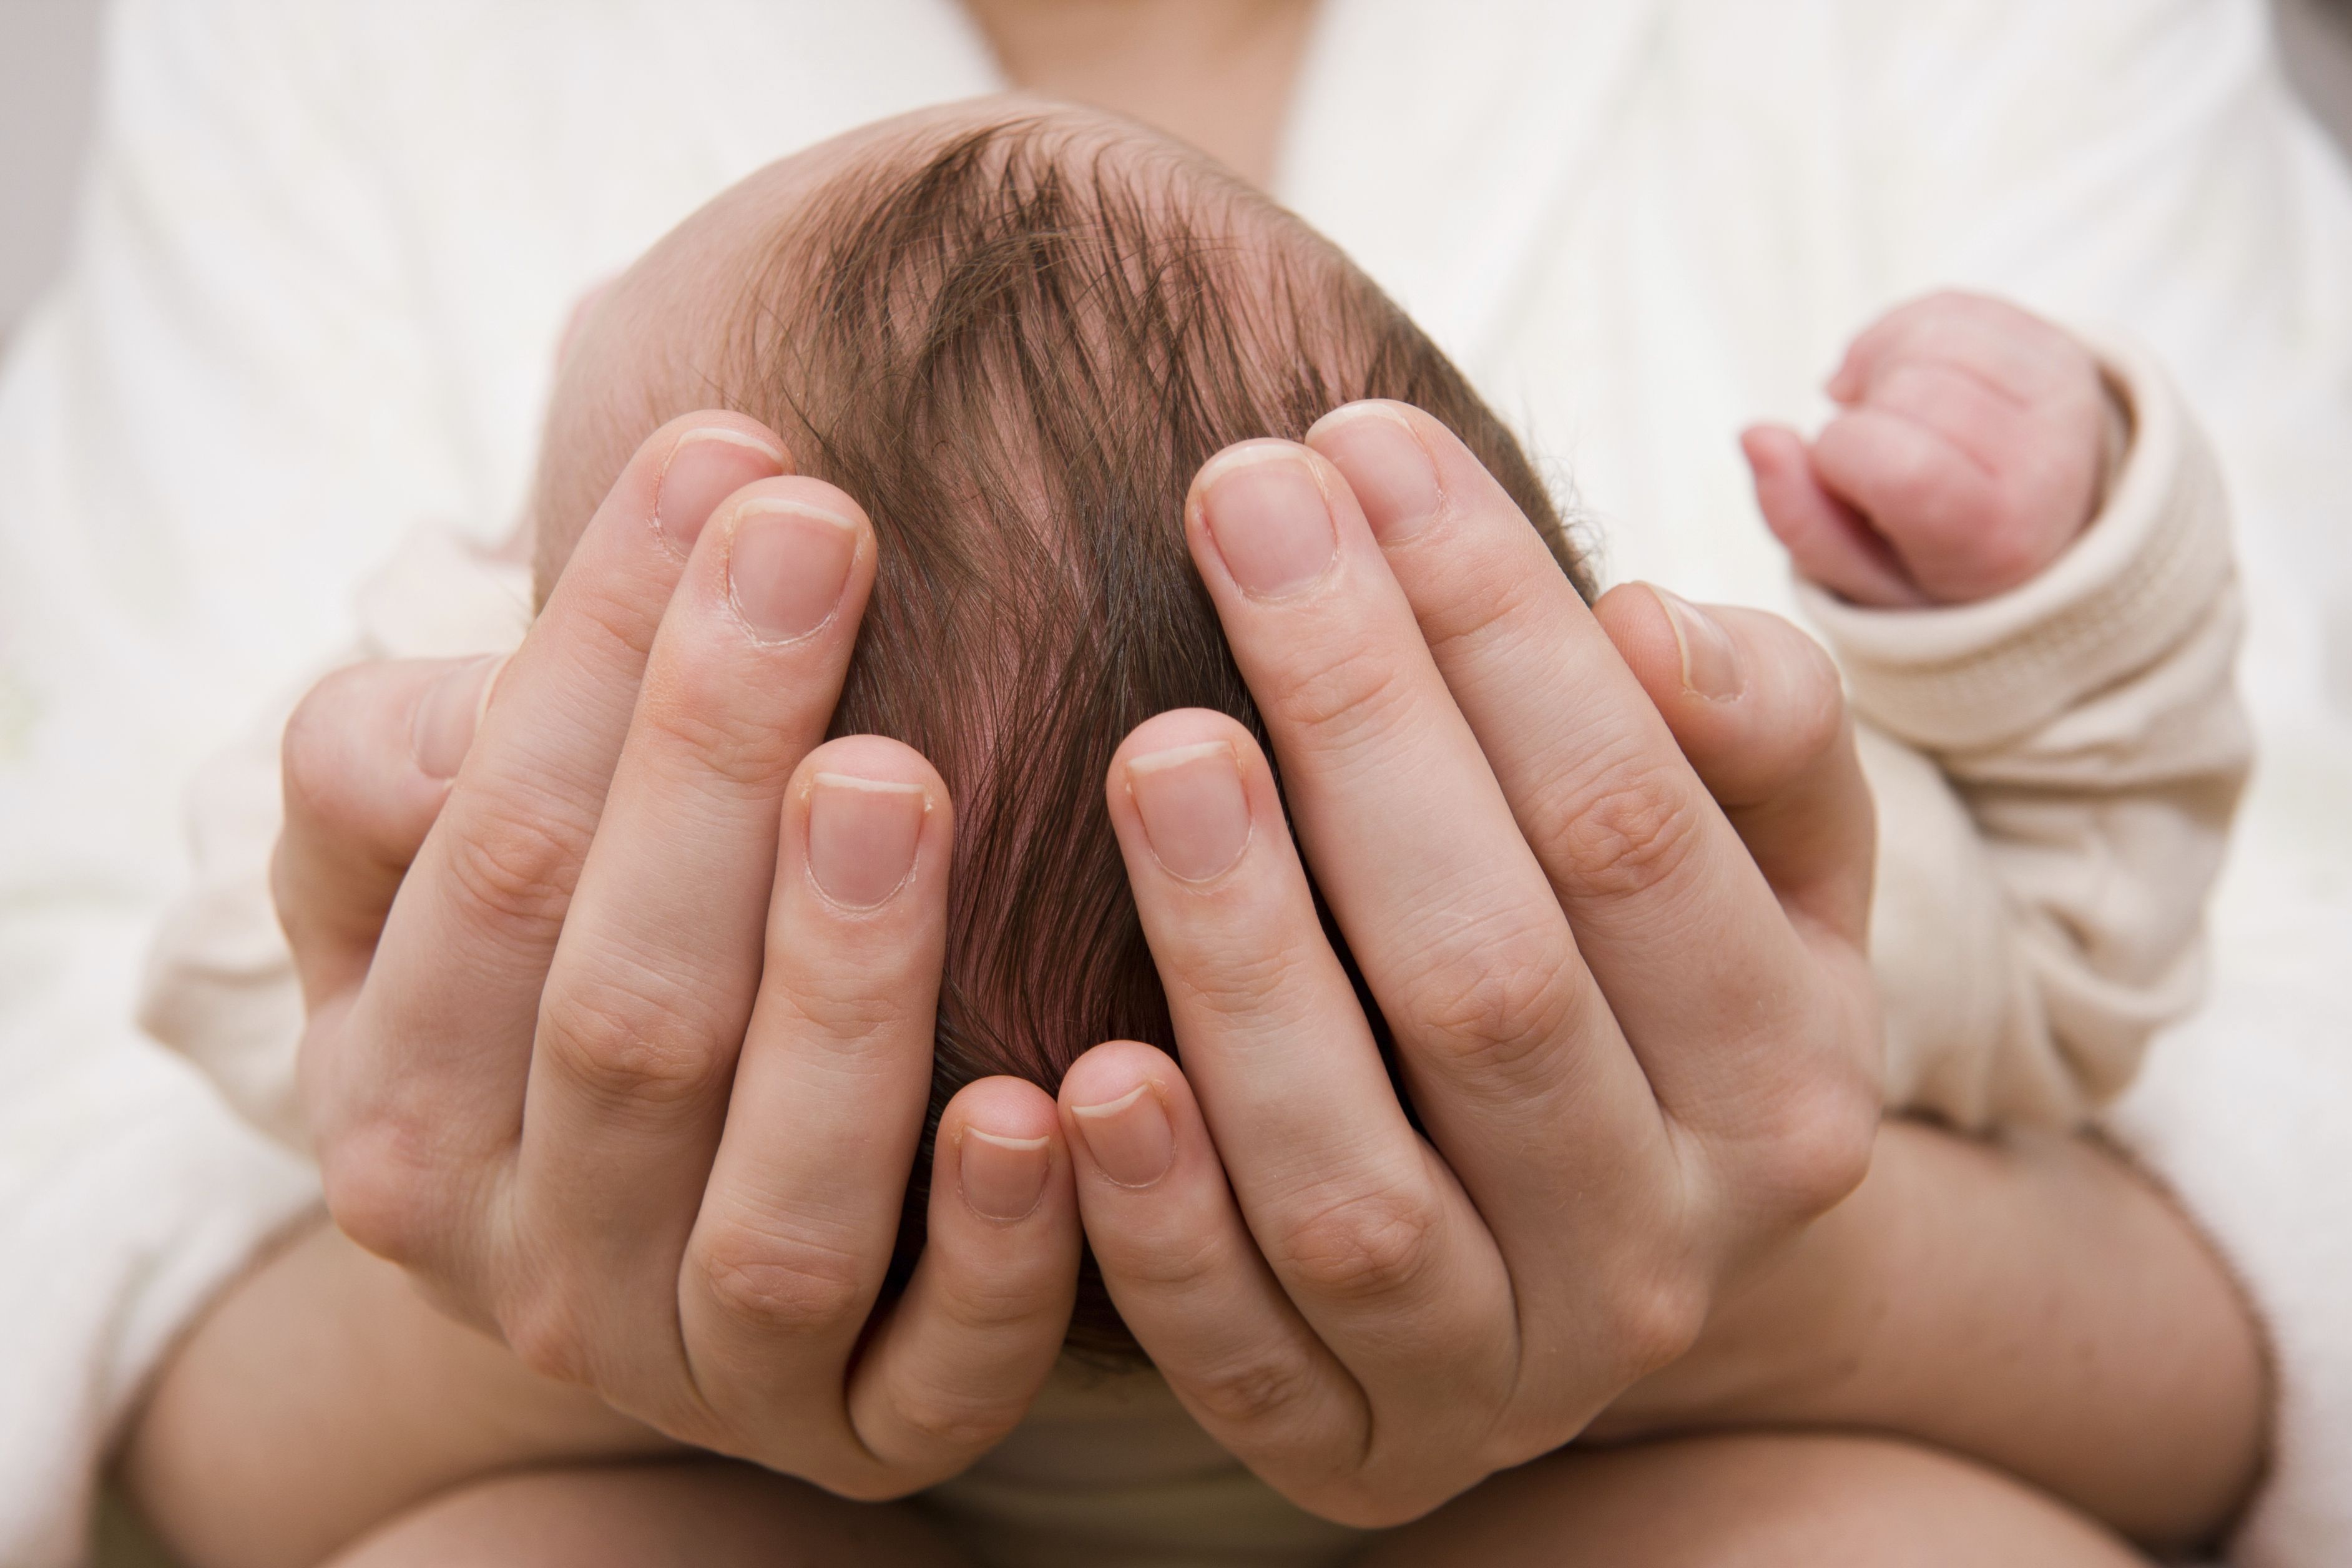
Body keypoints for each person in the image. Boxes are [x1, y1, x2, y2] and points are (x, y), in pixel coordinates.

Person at [0, 2, 2344, 1564]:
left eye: (522, 569)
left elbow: (234, 1018)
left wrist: (385, 804)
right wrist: (2046, 594)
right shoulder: (1701, 886)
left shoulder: (552, 923)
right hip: (1710, 1463)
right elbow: (2103, 914)